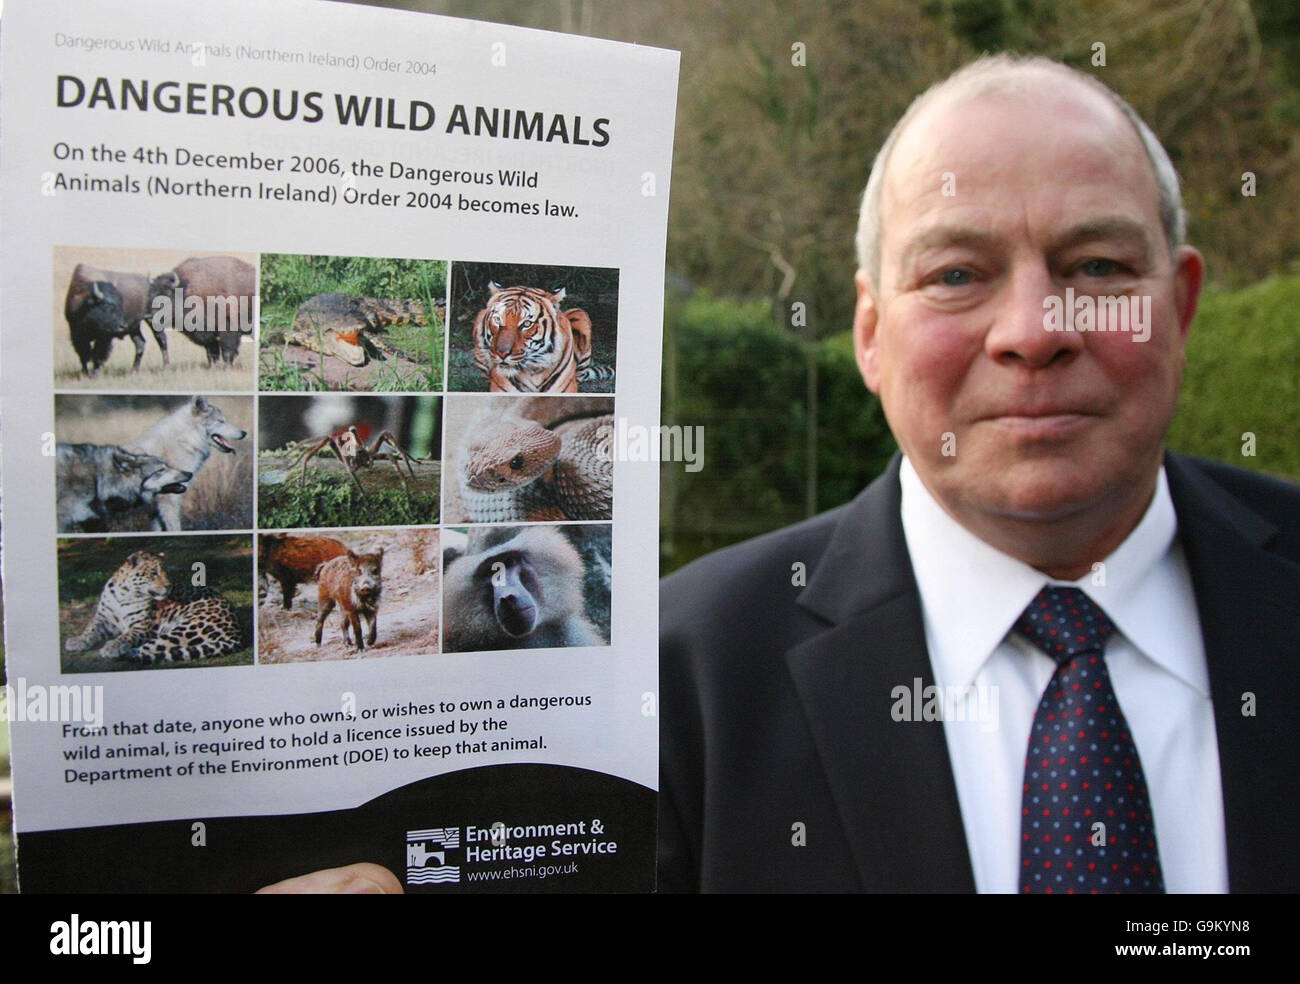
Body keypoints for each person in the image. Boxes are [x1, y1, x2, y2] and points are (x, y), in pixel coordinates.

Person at [656, 53, 1300, 893]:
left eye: (1097, 267)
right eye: (956, 275)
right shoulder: (675, 685)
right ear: (871, 333)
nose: (1034, 331)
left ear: (1179, 307)